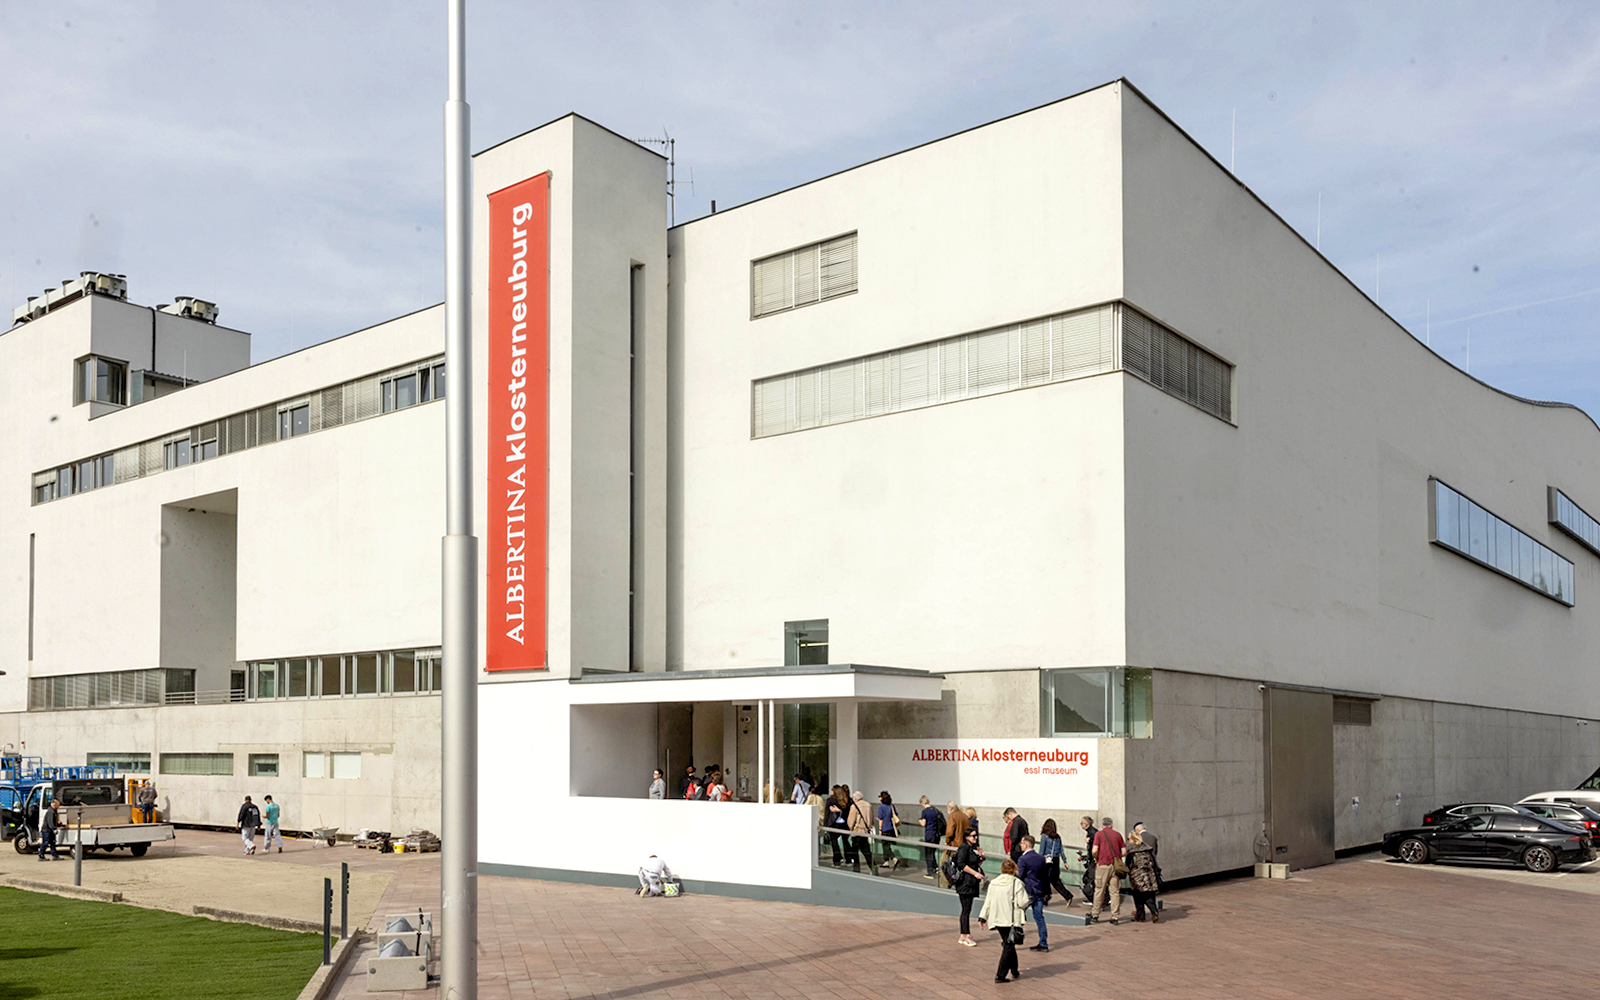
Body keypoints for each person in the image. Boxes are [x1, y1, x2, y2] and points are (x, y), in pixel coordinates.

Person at [977, 858, 1031, 983]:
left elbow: (988, 902)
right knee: (1008, 945)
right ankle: (1000, 975)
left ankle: (1014, 970)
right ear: (1014, 870)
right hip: (1011, 919)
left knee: (1009, 943)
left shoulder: (994, 883)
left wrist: (982, 917)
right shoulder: (1016, 883)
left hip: (997, 919)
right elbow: (1023, 902)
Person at [1087, 816, 1125, 924]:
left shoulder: (1099, 834)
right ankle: (1115, 917)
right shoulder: (1118, 835)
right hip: (1115, 866)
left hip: (1103, 865)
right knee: (1115, 892)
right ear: (1112, 825)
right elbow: (1124, 852)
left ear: (1102, 825)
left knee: (1099, 890)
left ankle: (1095, 915)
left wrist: (1097, 858)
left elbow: (1094, 850)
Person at [952, 826, 986, 947]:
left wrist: (981, 857)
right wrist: (975, 873)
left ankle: (963, 935)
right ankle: (965, 934)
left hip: (971, 883)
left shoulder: (971, 848)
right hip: (965, 883)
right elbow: (961, 864)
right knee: (966, 910)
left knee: (967, 909)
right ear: (967, 837)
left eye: (976, 835)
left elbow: (974, 863)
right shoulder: (964, 847)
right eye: (973, 836)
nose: (975, 838)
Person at [1016, 835, 1048, 951]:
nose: (1020, 845)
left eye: (1021, 843)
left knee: (1017, 914)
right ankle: (1043, 943)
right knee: (1039, 918)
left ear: (1026, 844)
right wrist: (1046, 892)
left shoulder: (1023, 859)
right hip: (1039, 891)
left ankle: (1014, 938)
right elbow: (1045, 877)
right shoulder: (1040, 858)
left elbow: (1019, 876)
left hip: (1028, 892)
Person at [1126, 829, 1160, 922]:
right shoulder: (1147, 849)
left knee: (1138, 896)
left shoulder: (1131, 852)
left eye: (1129, 839)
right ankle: (1154, 910)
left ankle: (1140, 916)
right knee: (1149, 894)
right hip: (1149, 875)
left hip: (1137, 876)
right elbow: (1153, 862)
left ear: (1133, 839)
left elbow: (1128, 865)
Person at [1037, 818, 1073, 905]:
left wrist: (1038, 861)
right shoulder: (1057, 837)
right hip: (1056, 859)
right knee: (1055, 879)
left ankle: (1046, 896)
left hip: (1047, 859)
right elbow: (1061, 850)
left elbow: (1042, 851)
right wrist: (1065, 861)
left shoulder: (1044, 836)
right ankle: (1067, 895)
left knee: (1044, 879)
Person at [1132, 820, 1164, 906]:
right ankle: (1153, 906)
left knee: (1139, 889)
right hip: (1151, 865)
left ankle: (1140, 911)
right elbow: (1155, 852)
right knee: (1151, 886)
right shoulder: (1153, 837)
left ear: (1137, 830)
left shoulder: (1138, 838)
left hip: (1140, 867)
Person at [917, 795, 944, 879]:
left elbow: (923, 824)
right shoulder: (935, 810)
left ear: (922, 803)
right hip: (937, 834)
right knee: (932, 851)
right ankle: (935, 867)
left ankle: (930, 872)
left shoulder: (925, 812)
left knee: (928, 853)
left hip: (929, 834)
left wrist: (919, 820)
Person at [847, 790, 874, 870]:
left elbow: (851, 821)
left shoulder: (854, 806)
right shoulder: (869, 805)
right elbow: (872, 818)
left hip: (857, 831)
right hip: (865, 831)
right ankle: (873, 867)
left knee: (854, 851)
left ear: (855, 798)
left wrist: (851, 829)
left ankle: (856, 867)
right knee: (867, 851)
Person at [876, 791, 902, 870]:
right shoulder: (891, 806)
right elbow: (895, 815)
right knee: (887, 846)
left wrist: (880, 829)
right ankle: (886, 862)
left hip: (885, 828)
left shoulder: (881, 807)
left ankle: (894, 859)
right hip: (891, 828)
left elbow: (881, 819)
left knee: (885, 846)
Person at [825, 786, 850, 866]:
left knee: (834, 843)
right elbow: (848, 812)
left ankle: (837, 861)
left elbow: (827, 814)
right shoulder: (847, 800)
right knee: (845, 842)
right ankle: (848, 860)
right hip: (845, 824)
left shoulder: (830, 800)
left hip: (833, 824)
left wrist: (825, 825)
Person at [1077, 815, 1097, 901]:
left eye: (1082, 823)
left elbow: (1096, 844)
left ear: (1086, 824)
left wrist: (1090, 841)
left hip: (1093, 860)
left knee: (1089, 879)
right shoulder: (1092, 831)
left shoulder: (1092, 833)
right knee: (1089, 879)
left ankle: (1094, 899)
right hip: (1092, 859)